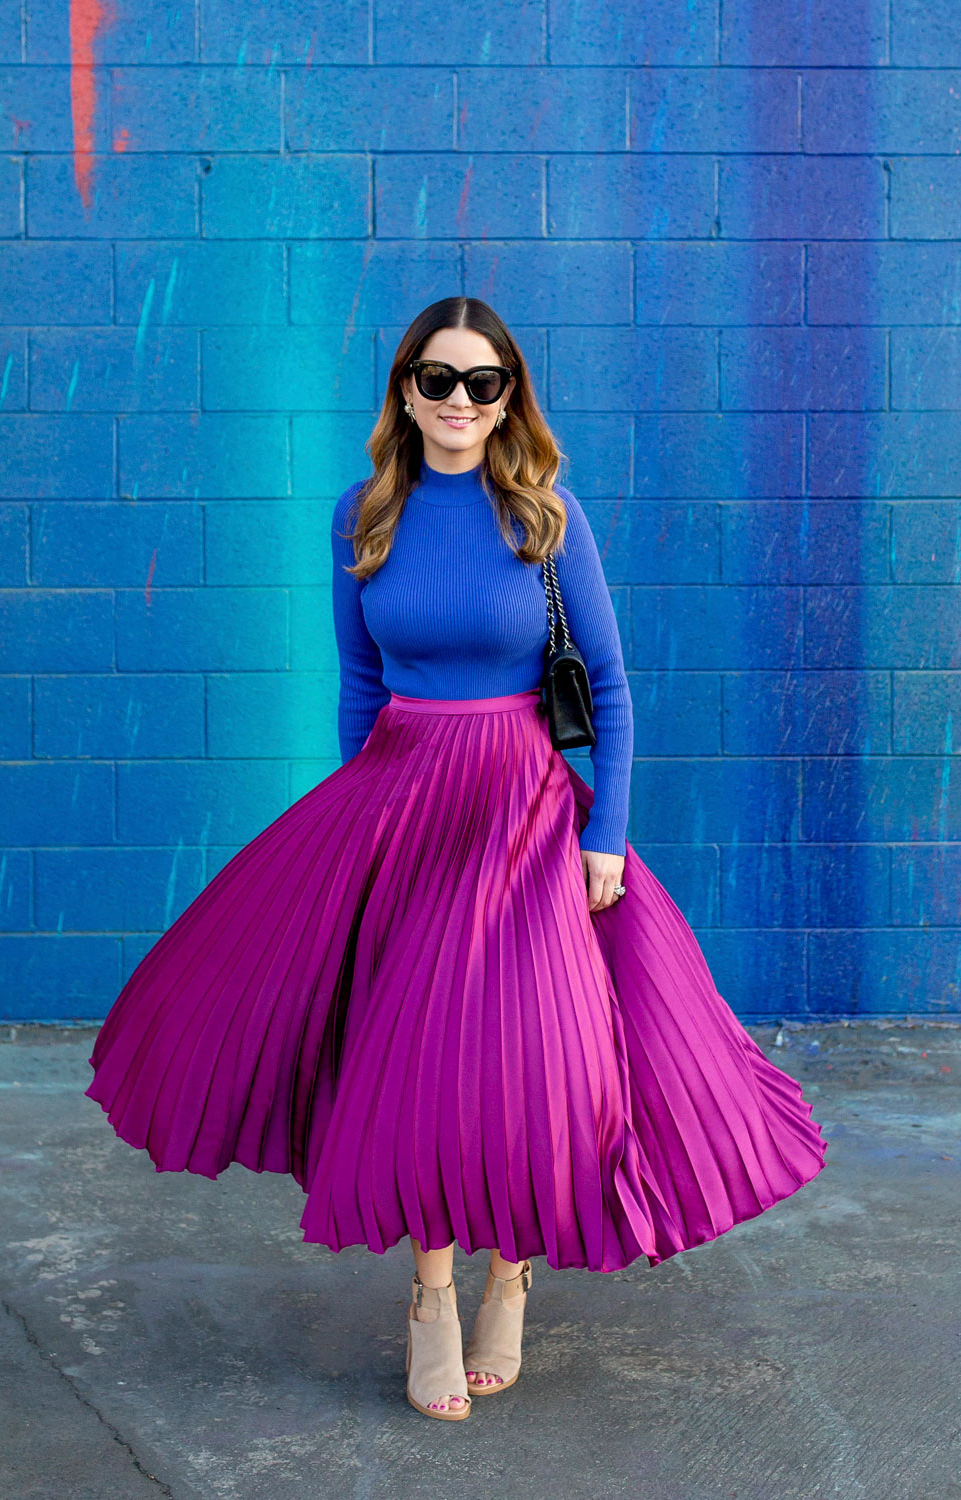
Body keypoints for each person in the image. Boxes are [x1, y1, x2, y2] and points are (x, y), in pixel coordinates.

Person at [85, 295, 827, 1424]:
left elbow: (612, 692)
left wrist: (605, 835)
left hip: (526, 815)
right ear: (405, 392)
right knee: (421, 1061)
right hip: (398, 813)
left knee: (537, 1061)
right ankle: (431, 1298)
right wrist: (354, 829)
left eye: (484, 384)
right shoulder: (363, 517)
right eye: (439, 380)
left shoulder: (545, 517)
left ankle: (510, 1276)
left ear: (509, 397)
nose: (460, 403)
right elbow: (359, 688)